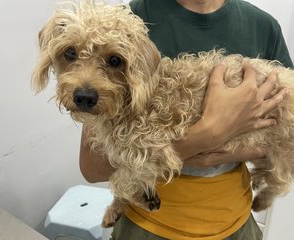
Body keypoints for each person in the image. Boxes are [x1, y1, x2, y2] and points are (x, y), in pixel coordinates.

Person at [80, 0, 293, 239]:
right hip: (145, 226)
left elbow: (283, 133)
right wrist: (204, 138)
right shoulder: (124, 23)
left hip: (236, 223)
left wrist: (218, 146)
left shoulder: (263, 27)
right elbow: (92, 167)